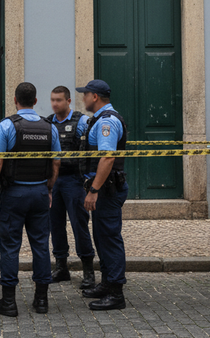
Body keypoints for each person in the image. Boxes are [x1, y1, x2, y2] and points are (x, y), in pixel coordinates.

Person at [0, 82, 61, 317]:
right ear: (35, 101)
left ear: (15, 100)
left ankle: (8, 302)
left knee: (10, 247)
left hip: (15, 194)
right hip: (39, 192)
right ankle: (41, 301)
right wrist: (49, 185)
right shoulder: (50, 127)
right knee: (40, 245)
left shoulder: (8, 125)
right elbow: (56, 162)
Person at [75, 79, 129, 311]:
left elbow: (107, 158)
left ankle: (116, 292)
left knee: (109, 238)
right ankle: (107, 283)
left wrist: (94, 190)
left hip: (105, 190)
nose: (83, 98)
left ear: (94, 97)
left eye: (85, 94)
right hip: (102, 189)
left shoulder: (107, 122)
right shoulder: (98, 120)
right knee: (101, 237)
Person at [47, 86, 96, 289]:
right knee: (55, 225)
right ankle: (61, 267)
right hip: (55, 182)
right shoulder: (48, 122)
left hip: (74, 181)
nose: (54, 104)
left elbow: (91, 151)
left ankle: (88, 271)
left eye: (58, 100)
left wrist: (88, 181)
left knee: (79, 225)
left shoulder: (82, 122)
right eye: (52, 100)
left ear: (68, 101)